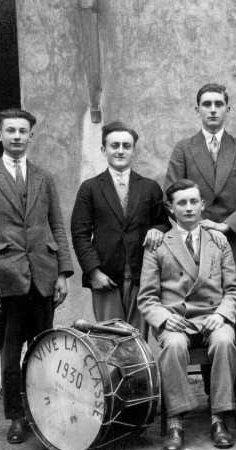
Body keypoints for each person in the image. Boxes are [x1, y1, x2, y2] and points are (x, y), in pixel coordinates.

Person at [0, 108, 73, 444]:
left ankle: (44, 413)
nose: (16, 136)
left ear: (30, 136)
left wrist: (63, 273)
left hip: (43, 274)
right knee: (11, 353)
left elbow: (57, 225)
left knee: (44, 350)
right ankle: (17, 417)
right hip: (7, 278)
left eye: (22, 131)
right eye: (10, 130)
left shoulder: (44, 178)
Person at [165, 83, 236, 397]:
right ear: (197, 110)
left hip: (233, 246)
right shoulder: (184, 148)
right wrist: (198, 227)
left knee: (227, 319)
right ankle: (208, 395)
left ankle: (229, 399)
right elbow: (171, 196)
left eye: (218, 104)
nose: (212, 110)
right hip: (194, 249)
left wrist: (225, 227)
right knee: (198, 312)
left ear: (227, 109)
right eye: (206, 104)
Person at [138, 179, 236, 450]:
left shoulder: (218, 242)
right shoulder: (158, 244)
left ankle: (219, 418)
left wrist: (221, 314)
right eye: (181, 203)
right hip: (176, 319)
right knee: (172, 345)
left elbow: (233, 290)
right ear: (170, 208)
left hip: (212, 317)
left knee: (224, 341)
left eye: (193, 201)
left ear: (202, 205)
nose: (188, 208)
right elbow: (147, 297)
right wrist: (163, 318)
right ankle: (175, 421)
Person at [70, 121, 170, 339]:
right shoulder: (90, 188)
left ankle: (139, 375)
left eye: (126, 146)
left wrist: (158, 230)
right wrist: (94, 272)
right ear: (104, 150)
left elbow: (164, 223)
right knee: (111, 338)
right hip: (106, 276)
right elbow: (80, 234)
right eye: (114, 145)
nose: (121, 150)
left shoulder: (149, 187)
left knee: (137, 340)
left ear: (134, 150)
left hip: (142, 276)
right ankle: (116, 375)